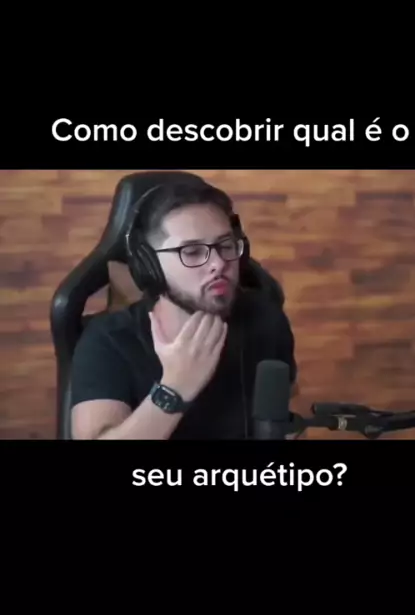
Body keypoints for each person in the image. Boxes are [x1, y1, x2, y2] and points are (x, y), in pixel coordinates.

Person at [70, 174, 297, 440]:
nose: (218, 263)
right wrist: (175, 388)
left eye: (225, 245)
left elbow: (284, 424)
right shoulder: (109, 339)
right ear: (150, 266)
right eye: (192, 252)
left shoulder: (266, 319)